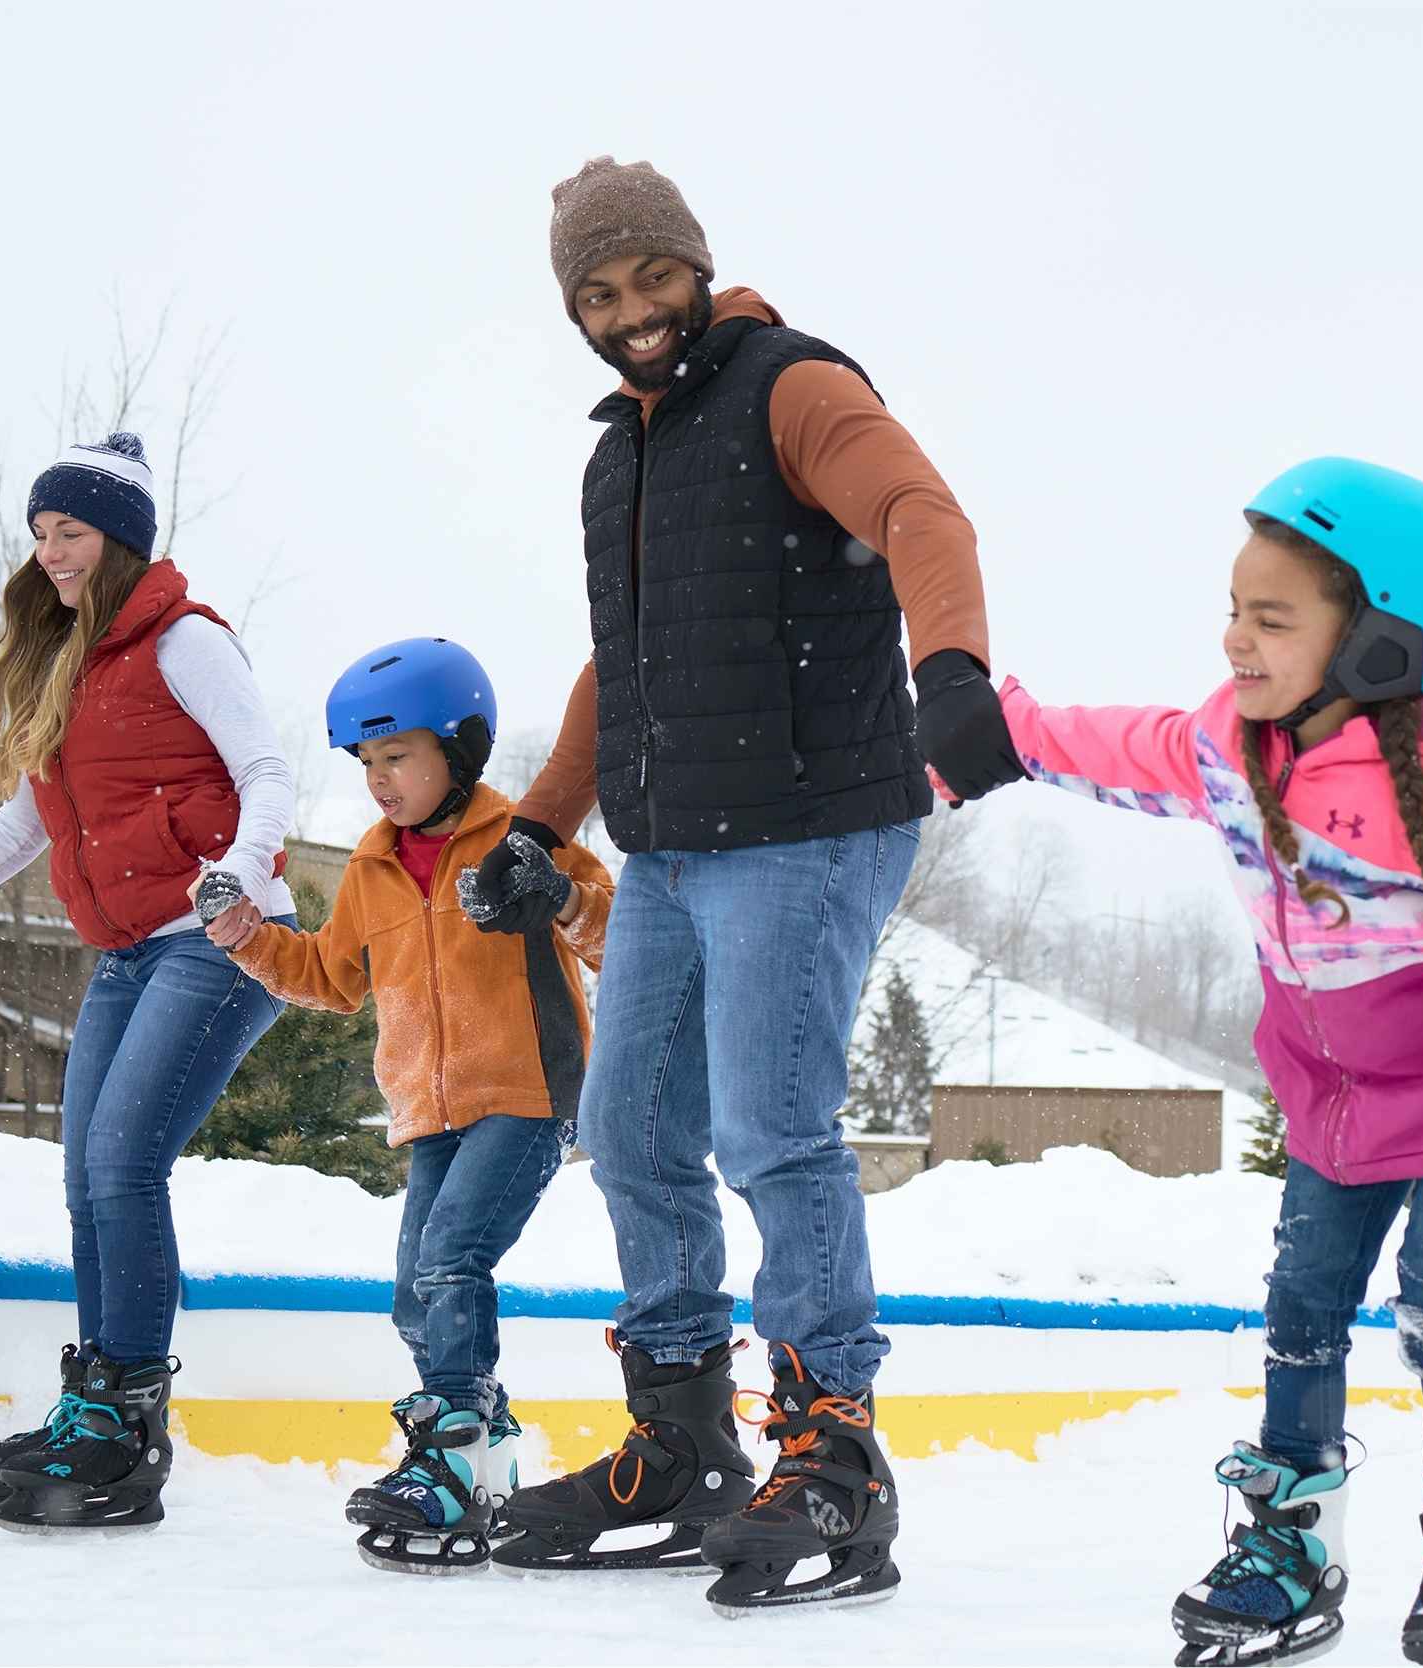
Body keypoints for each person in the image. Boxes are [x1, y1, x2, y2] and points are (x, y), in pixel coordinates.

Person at [979, 459, 1423, 1667]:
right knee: (1301, 1307)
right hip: (1330, 1105)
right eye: (1233, 610)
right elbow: (1125, 746)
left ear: (1376, 642)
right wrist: (1001, 733)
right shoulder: (1233, 745)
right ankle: (1290, 1537)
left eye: (1272, 617)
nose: (1236, 640)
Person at [457, 157, 1021, 1614]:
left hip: (812, 821)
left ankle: (836, 1454)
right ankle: (684, 1438)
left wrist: (949, 667)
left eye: (650, 279)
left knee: (774, 1131)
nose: (631, 313)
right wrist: (539, 822)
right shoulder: (620, 456)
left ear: (695, 271)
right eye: (598, 293)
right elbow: (625, 658)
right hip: (673, 839)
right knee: (631, 1128)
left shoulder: (790, 388)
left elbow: (919, 511)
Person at [0, 432, 297, 1534]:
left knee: (126, 1165)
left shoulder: (185, 641)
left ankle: (128, 1427)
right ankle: (97, 1402)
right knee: (87, 1177)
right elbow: (21, 829)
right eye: (39, 535)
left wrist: (240, 869)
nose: (51, 553)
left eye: (70, 531)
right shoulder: (71, 668)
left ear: (120, 537)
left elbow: (266, 769)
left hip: (220, 941)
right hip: (132, 952)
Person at [202, 636, 613, 1576]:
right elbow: (328, 976)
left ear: (460, 750)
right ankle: (488, 1440)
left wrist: (556, 899)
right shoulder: (372, 869)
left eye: (400, 757)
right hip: (430, 1112)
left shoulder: (525, 843)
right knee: (412, 1293)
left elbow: (613, 938)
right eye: (367, 764)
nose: (379, 782)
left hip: (530, 1093)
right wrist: (244, 935)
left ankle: (454, 1453)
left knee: (454, 1254)